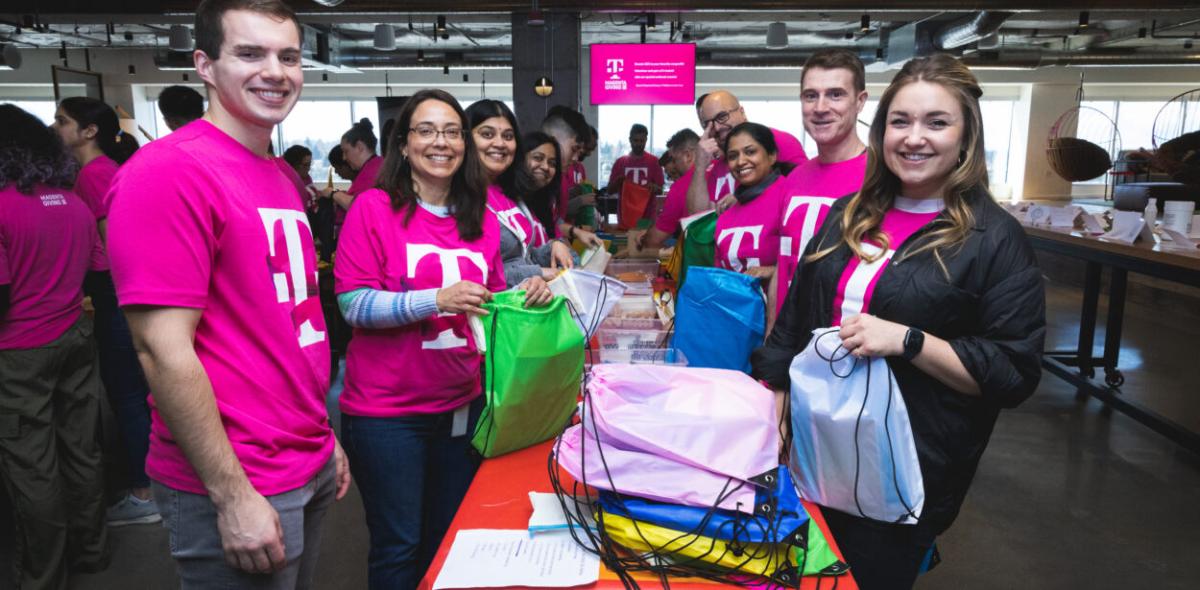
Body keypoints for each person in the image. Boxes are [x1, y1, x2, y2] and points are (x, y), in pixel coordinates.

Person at [751, 54, 1046, 590]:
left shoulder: (992, 238)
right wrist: (773, 394)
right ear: (882, 128)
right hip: (813, 454)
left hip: (904, 468)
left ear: (965, 136)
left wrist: (908, 341)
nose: (915, 138)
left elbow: (1012, 370)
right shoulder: (850, 213)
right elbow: (798, 315)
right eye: (901, 121)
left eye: (937, 122)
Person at [106, 1, 351, 587]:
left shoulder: (274, 173)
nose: (276, 72)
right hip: (237, 474)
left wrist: (323, 438)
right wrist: (232, 494)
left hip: (303, 453)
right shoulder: (168, 172)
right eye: (250, 53)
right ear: (205, 66)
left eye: (288, 56)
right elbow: (162, 352)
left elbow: (285, 328)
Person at [334, 89, 506, 590]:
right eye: (426, 130)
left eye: (452, 131)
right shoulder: (374, 208)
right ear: (404, 144)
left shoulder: (483, 221)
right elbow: (354, 306)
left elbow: (486, 307)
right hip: (388, 414)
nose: (441, 142)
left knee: (447, 537)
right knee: (399, 545)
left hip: (461, 405)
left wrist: (525, 296)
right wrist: (436, 299)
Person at [0, 104, 109, 590]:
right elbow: (97, 274)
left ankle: (42, 577)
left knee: (32, 466)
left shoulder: (2, 205)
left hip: (18, 350)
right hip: (74, 337)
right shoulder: (72, 204)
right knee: (81, 451)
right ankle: (92, 552)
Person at [53, 96, 159, 526]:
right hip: (118, 296)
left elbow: (116, 246)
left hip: (118, 298)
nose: (55, 127)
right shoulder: (99, 172)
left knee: (129, 394)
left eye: (62, 121)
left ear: (89, 131)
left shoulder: (96, 175)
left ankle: (144, 490)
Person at [771, 49, 871, 318]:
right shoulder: (794, 179)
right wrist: (772, 337)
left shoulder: (880, 177)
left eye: (835, 94)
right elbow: (783, 266)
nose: (820, 108)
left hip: (845, 345)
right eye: (810, 96)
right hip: (789, 342)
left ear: (860, 101)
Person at [465, 99, 572, 292]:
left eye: (508, 136)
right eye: (487, 134)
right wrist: (538, 272)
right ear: (465, 139)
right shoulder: (460, 197)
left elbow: (522, 255)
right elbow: (476, 275)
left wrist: (553, 246)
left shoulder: (510, 192)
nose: (500, 143)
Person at [687, 90, 807, 216]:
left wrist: (747, 198)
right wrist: (699, 168)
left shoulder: (778, 140)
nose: (716, 128)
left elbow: (805, 192)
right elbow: (697, 218)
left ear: (742, 112)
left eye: (722, 117)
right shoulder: (712, 163)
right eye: (708, 124)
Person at [713, 123, 795, 300]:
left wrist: (773, 271)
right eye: (733, 156)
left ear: (772, 156)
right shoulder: (726, 215)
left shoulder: (790, 197)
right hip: (737, 317)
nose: (741, 161)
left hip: (782, 316)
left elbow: (810, 261)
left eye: (750, 152)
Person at [637, 128, 699, 252]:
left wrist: (645, 238)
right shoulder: (721, 172)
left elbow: (655, 239)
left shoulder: (682, 186)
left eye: (675, 160)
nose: (675, 165)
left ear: (688, 156)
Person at [607, 123, 665, 222]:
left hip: (647, 216)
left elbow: (661, 190)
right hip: (625, 216)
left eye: (641, 141)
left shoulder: (654, 162)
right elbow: (609, 191)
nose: (638, 144)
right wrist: (618, 182)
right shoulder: (620, 162)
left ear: (646, 140)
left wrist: (655, 188)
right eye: (635, 140)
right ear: (630, 140)